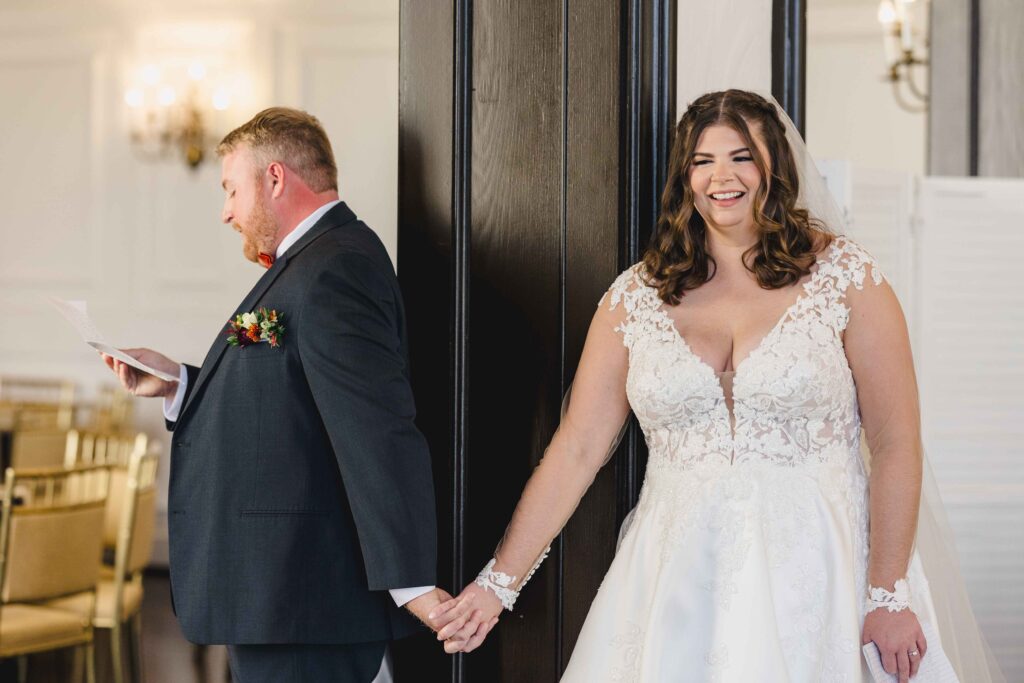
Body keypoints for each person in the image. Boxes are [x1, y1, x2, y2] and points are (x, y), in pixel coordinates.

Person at [431, 90, 1003, 682]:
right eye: (702, 161)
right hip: (674, 580)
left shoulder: (848, 279)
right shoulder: (636, 297)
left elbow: (895, 442)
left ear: (774, 166)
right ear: (685, 176)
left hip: (821, 572)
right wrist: (497, 584)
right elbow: (575, 451)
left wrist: (886, 593)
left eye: (741, 157)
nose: (721, 177)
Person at [101, 107, 479, 682]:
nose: (226, 212)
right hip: (281, 598)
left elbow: (376, 430)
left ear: (274, 178)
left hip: (306, 601)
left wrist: (411, 584)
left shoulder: (337, 269)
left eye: (231, 189)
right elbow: (287, 397)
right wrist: (180, 381)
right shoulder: (313, 263)